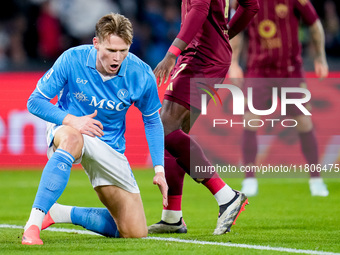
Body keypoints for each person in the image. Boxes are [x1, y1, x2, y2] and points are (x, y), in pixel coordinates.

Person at [22, 13, 168, 245]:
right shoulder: (72, 59)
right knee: (72, 138)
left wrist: (159, 170)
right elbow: (35, 101)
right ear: (96, 43)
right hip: (69, 128)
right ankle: (33, 225)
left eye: (123, 51)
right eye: (110, 50)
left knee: (135, 231)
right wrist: (72, 120)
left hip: (109, 145)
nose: (117, 58)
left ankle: (60, 213)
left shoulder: (141, 74)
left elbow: (152, 120)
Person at [147, 0, 259, 235]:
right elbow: (251, 6)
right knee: (174, 134)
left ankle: (227, 196)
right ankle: (172, 217)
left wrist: (171, 53)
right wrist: (224, 35)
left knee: (164, 127)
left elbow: (199, 9)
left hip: (200, 56)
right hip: (208, 53)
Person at [228, 0, 329, 197]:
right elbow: (236, 29)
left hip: (290, 71)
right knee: (250, 121)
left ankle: (316, 179)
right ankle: (249, 179)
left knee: (304, 122)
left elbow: (315, 24)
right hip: (259, 70)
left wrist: (320, 57)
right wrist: (233, 63)